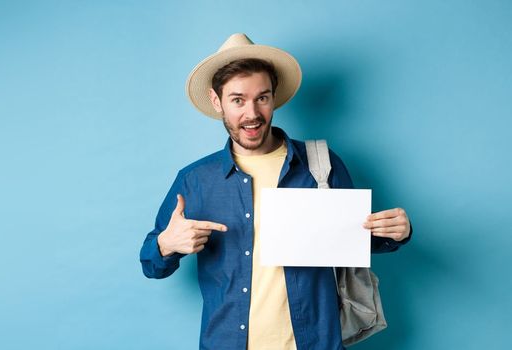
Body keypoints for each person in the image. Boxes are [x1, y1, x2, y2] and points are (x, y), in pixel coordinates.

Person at [138, 33, 412, 350]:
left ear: (273, 97)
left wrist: (396, 231)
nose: (252, 114)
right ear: (218, 102)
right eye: (238, 100)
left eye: (262, 98)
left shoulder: (321, 165)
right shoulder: (195, 180)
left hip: (313, 343)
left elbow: (355, 239)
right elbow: (150, 263)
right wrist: (165, 244)